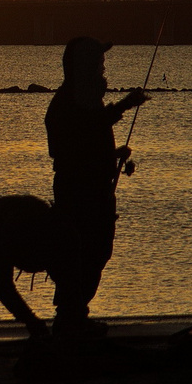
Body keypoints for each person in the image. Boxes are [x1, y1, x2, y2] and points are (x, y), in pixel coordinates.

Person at [45, 36, 149, 337]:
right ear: (84, 65)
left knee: (97, 252)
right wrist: (125, 106)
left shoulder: (87, 100)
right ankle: (70, 316)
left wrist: (112, 155)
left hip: (98, 192)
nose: (103, 68)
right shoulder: (67, 102)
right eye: (98, 62)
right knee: (81, 252)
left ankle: (76, 314)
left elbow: (88, 135)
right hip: (78, 193)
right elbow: (70, 144)